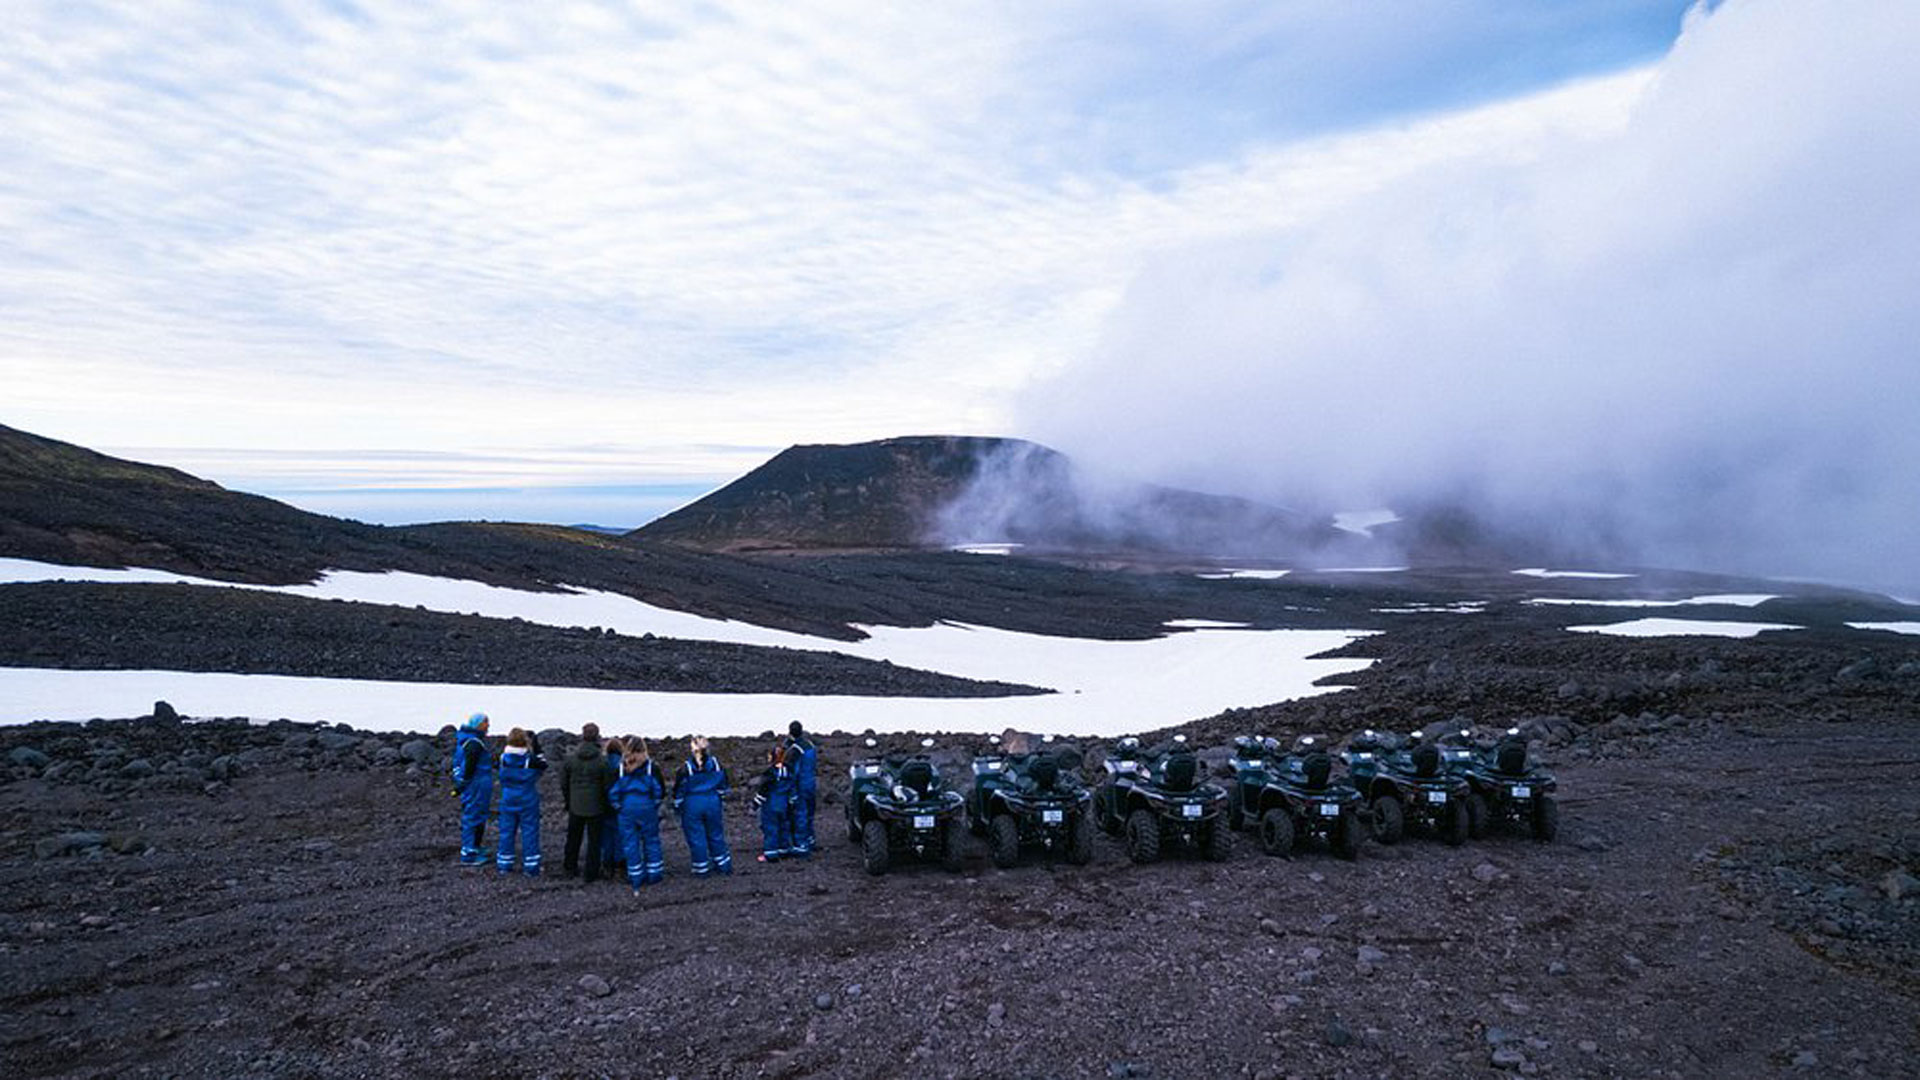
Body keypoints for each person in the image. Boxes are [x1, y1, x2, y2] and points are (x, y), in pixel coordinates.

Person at [610, 741, 666, 892]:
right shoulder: (650, 767)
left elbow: (612, 791)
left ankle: (635, 876)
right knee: (651, 840)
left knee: (630, 843)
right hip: (647, 808)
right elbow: (660, 789)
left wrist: (617, 806)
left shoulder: (621, 769)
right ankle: (655, 874)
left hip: (627, 809)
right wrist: (655, 804)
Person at [560, 723, 613, 881]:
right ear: (597, 736)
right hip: (596, 806)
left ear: (582, 736)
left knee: (573, 838)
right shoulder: (602, 761)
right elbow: (607, 785)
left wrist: (568, 800)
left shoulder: (571, 759)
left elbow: (564, 783)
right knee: (594, 841)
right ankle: (591, 872)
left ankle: (569, 868)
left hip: (576, 804)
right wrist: (606, 803)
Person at [673, 735, 732, 877]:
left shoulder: (686, 768)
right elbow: (724, 787)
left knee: (696, 837)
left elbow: (678, 791)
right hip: (712, 802)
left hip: (692, 804)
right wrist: (719, 796)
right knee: (716, 834)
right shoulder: (716, 765)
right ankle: (723, 865)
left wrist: (677, 805)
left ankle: (701, 869)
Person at [495, 728, 547, 877]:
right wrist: (536, 747)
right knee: (530, 831)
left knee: (506, 831)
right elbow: (544, 764)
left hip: (508, 797)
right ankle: (531, 867)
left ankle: (504, 864)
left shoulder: (503, 758)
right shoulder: (529, 760)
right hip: (527, 798)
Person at [450, 713, 494, 866]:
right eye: (486, 722)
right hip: (476, 785)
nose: (488, 725)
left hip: (477, 785)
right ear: (479, 724)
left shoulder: (468, 740)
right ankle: (469, 854)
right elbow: (469, 767)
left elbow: (458, 763)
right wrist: (462, 784)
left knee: (478, 815)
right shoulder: (474, 743)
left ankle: (475, 847)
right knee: (473, 816)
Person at [754, 741, 796, 863]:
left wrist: (755, 804)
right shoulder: (789, 772)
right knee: (783, 827)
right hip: (784, 804)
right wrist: (792, 802)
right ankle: (784, 851)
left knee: (770, 829)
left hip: (771, 806)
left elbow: (763, 791)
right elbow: (792, 790)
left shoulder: (770, 773)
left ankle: (771, 854)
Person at [786, 720, 818, 858]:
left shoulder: (796, 749)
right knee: (809, 813)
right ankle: (810, 840)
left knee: (800, 814)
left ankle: (801, 846)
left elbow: (793, 771)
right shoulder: (810, 745)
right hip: (811, 782)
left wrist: (791, 792)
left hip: (801, 785)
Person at [599, 737, 626, 880]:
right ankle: (620, 863)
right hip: (618, 803)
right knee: (619, 833)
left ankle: (607, 863)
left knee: (606, 836)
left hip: (603, 804)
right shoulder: (623, 765)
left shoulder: (602, 764)